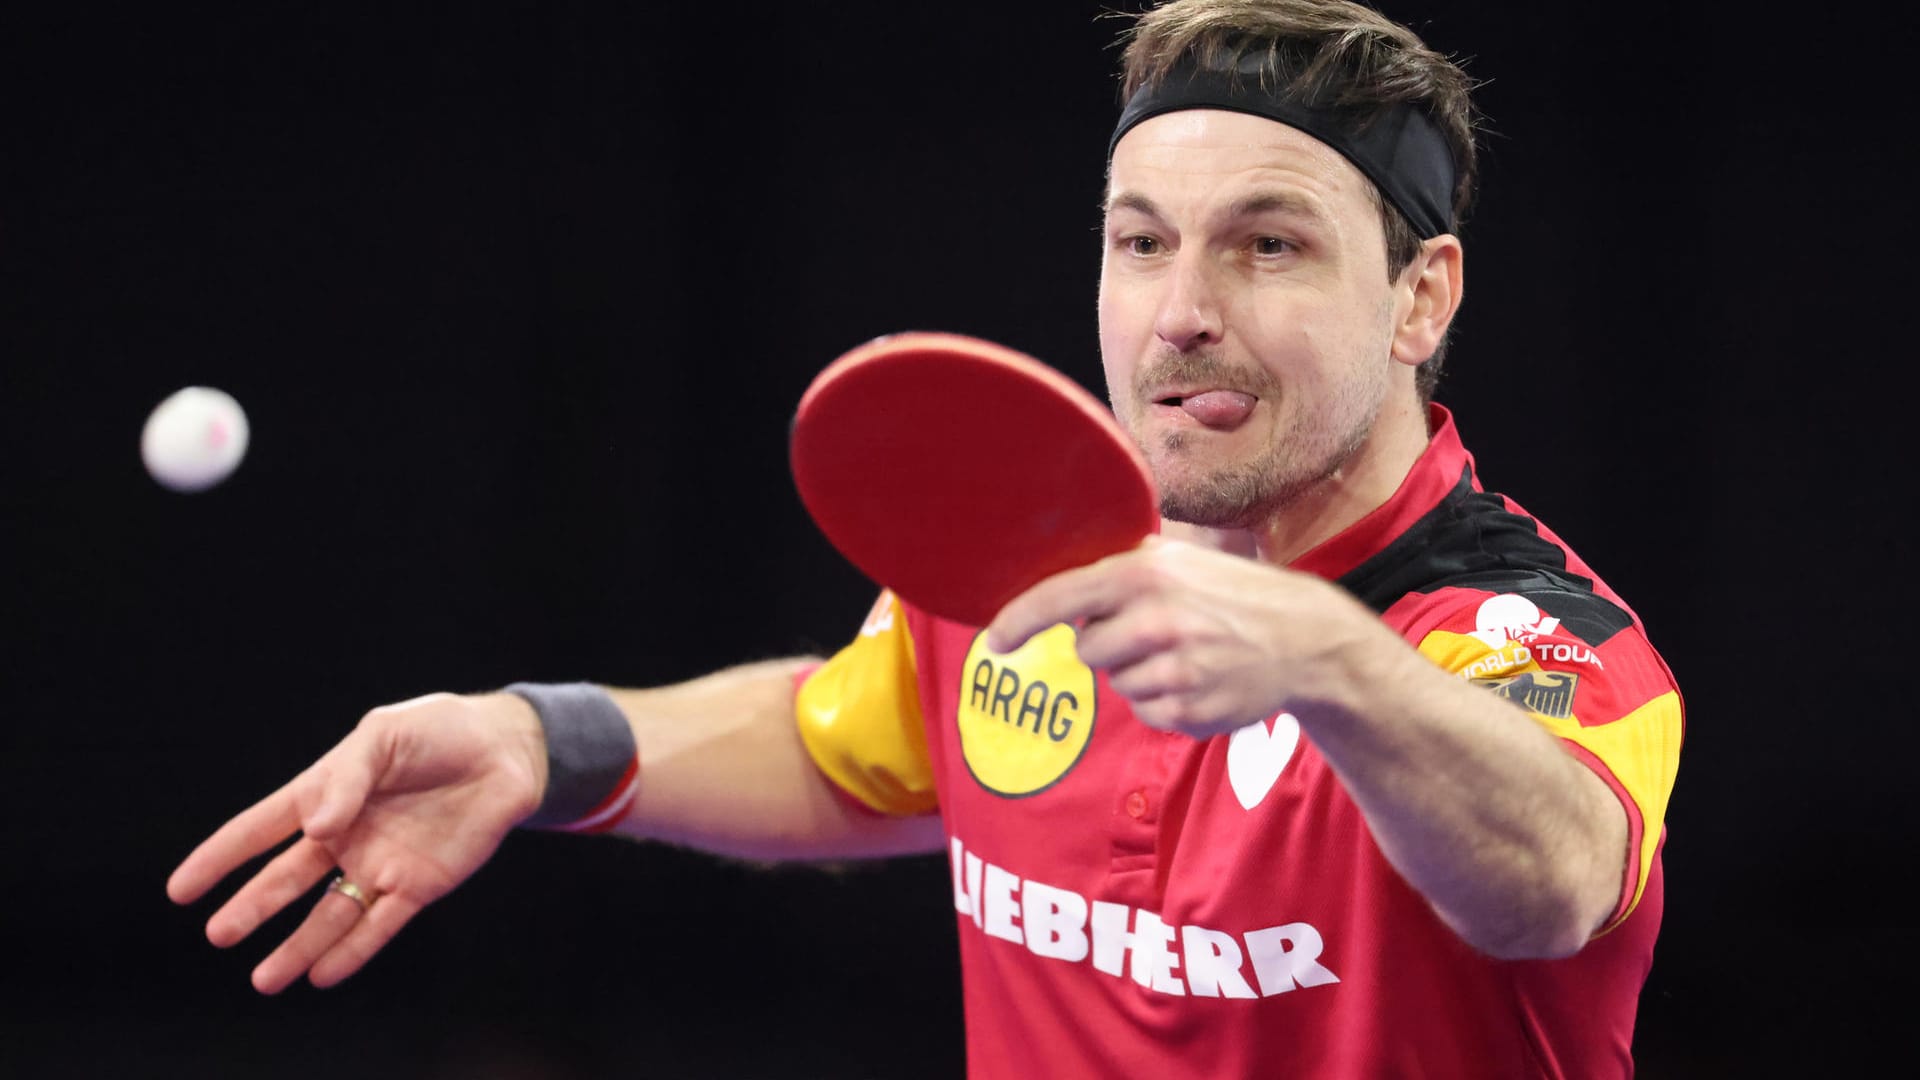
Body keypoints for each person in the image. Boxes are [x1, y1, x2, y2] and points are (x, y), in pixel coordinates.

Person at [168, 1, 1684, 1076]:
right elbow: (856, 749)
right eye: (1141, 239)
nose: (1181, 313)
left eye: (1268, 244)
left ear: (1423, 296)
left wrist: (1332, 665)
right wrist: (543, 744)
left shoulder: (1524, 634)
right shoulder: (1037, 549)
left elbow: (1550, 877)